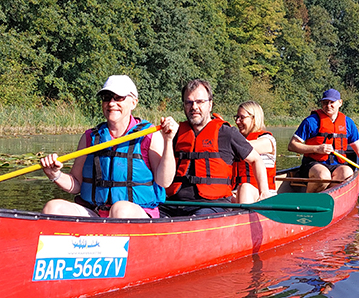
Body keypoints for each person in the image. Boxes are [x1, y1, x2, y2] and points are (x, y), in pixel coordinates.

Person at [39, 75, 178, 218]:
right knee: (53, 207)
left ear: (134, 103)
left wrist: (168, 140)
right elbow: (77, 184)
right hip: (96, 213)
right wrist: (54, 175)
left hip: (136, 215)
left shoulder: (149, 135)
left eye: (119, 97)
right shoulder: (90, 137)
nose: (111, 103)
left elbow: (164, 181)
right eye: (107, 97)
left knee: (120, 210)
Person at [164, 79, 271, 214]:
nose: (194, 107)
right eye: (189, 102)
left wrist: (264, 193)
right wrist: (166, 138)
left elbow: (256, 160)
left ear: (210, 104)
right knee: (148, 216)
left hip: (212, 205)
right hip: (174, 203)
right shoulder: (176, 133)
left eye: (200, 102)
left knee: (198, 219)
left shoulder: (227, 133)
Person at [287, 88, 359, 192]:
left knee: (347, 173)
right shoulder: (311, 122)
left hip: (337, 165)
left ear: (340, 103)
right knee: (323, 176)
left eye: (332, 102)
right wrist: (317, 148)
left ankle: (328, 196)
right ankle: (308, 199)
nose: (328, 105)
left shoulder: (348, 123)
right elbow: (292, 145)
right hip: (313, 165)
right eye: (325, 102)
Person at [231, 100, 277, 203]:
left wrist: (227, 132)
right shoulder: (235, 141)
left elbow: (245, 146)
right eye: (237, 117)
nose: (237, 121)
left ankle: (244, 218)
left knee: (245, 188)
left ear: (254, 118)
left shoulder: (267, 140)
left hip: (264, 196)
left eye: (242, 118)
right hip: (236, 193)